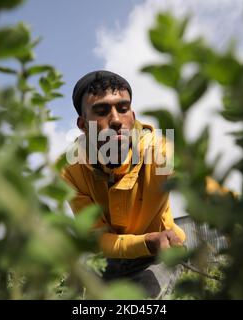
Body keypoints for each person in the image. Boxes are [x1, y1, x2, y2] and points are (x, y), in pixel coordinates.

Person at [61, 70, 186, 298]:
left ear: (133, 114)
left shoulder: (160, 151)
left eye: (123, 108)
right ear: (82, 124)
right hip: (109, 257)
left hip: (158, 253)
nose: (116, 120)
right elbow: (99, 239)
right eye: (101, 110)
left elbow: (203, 185)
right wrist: (146, 241)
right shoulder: (71, 171)